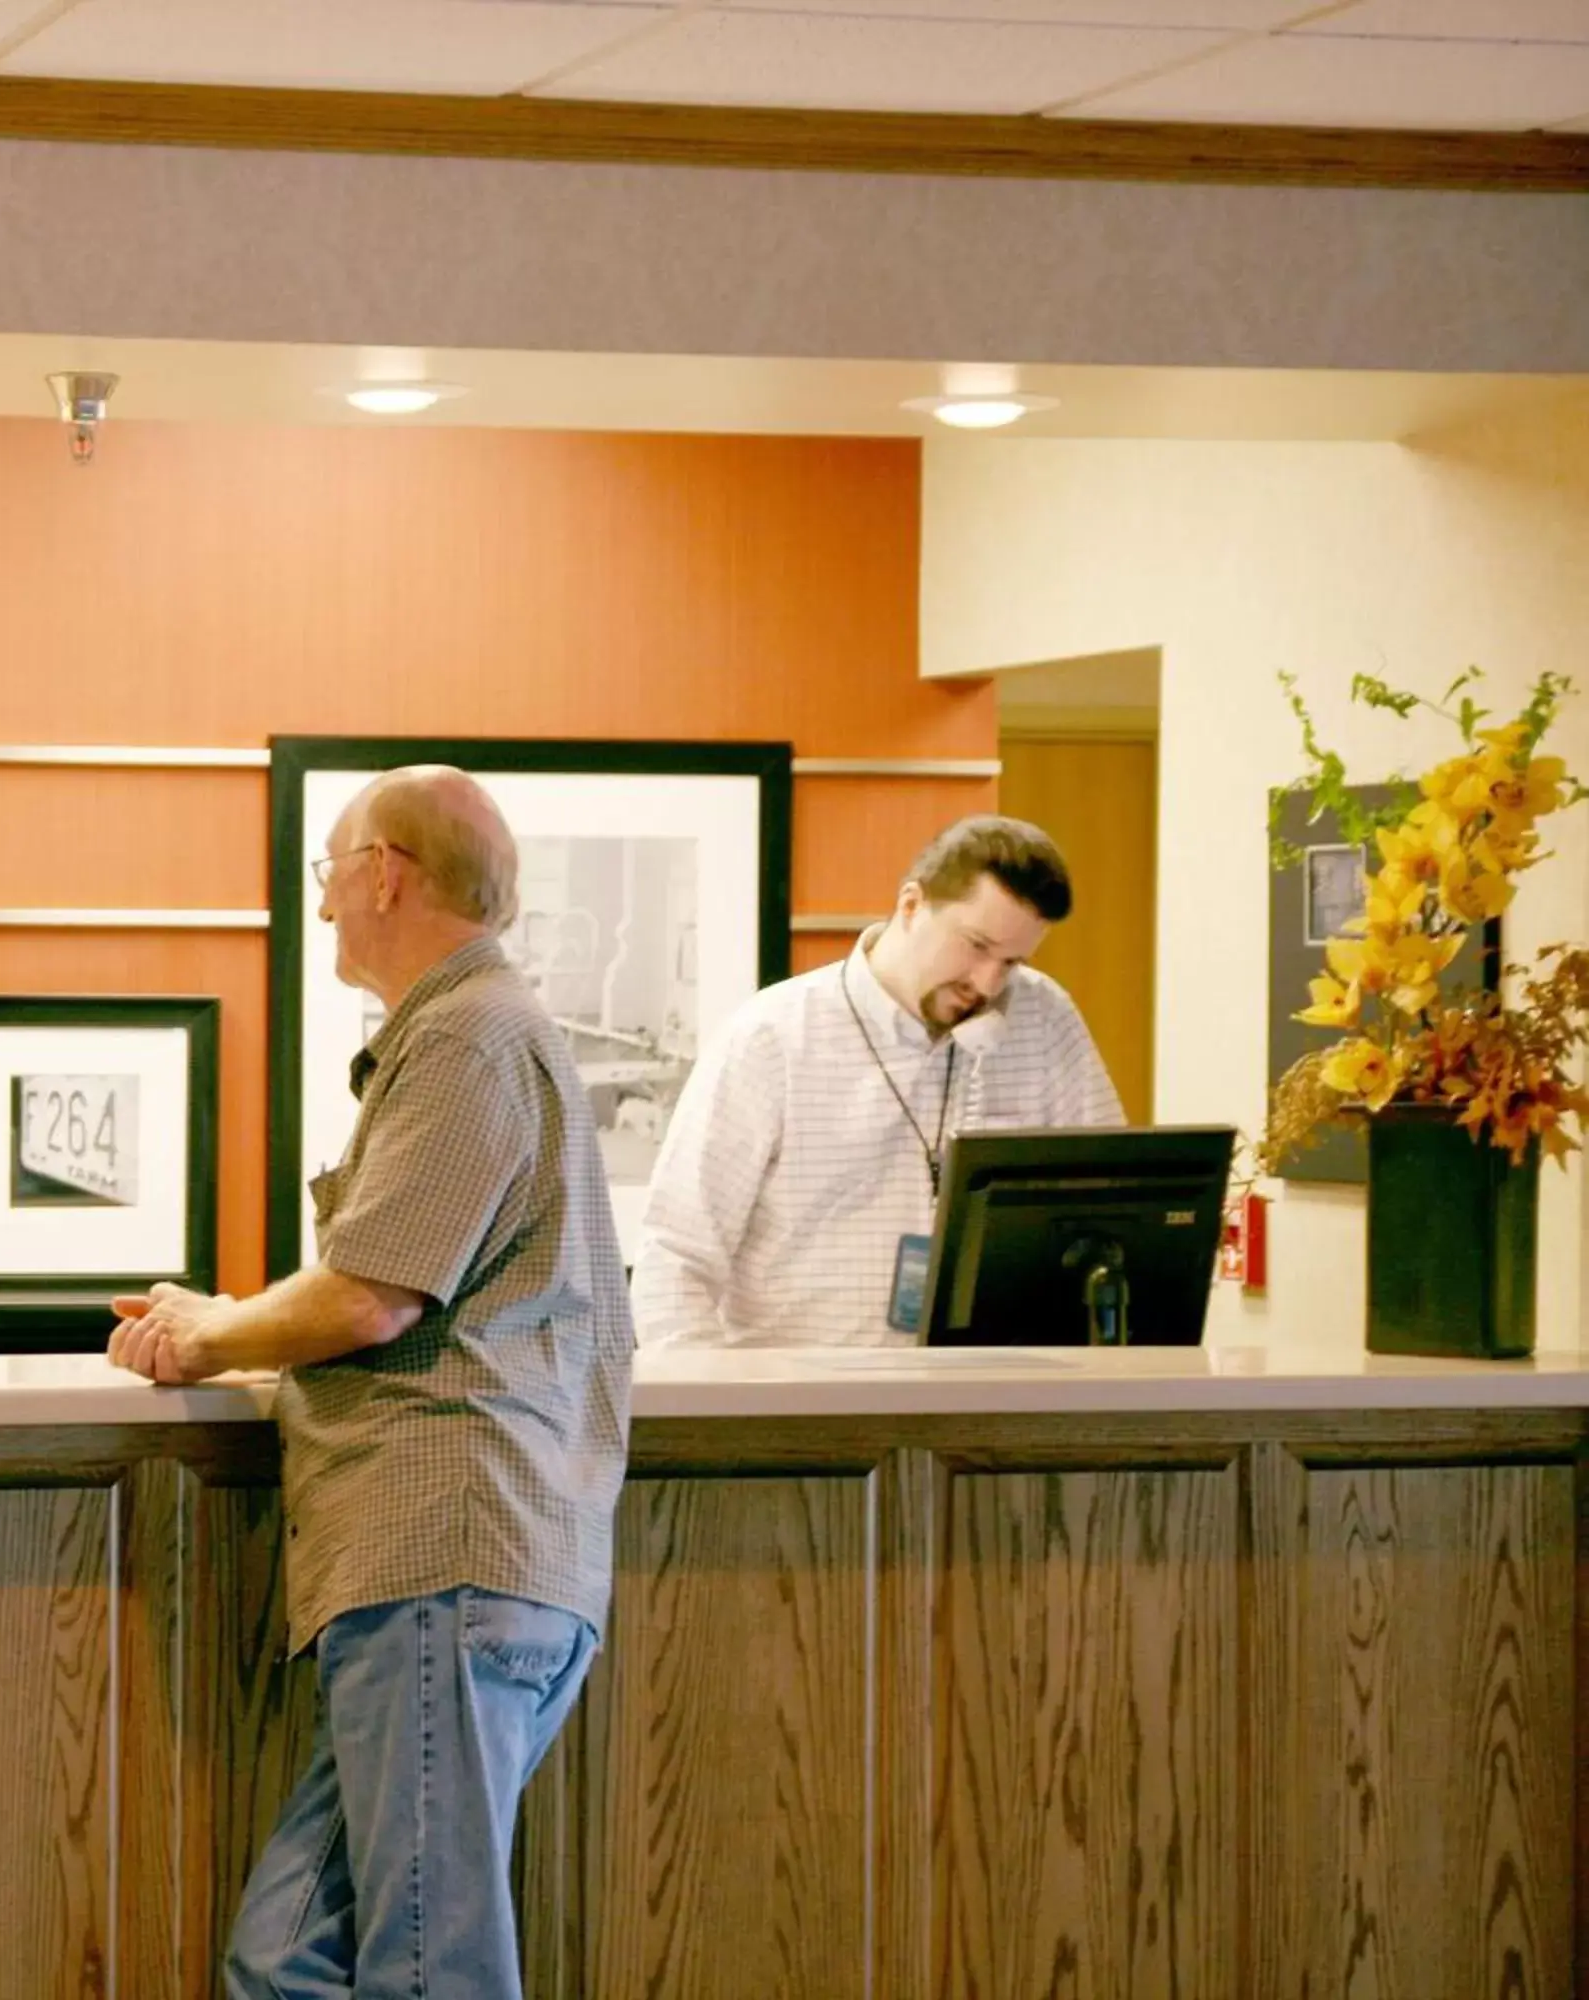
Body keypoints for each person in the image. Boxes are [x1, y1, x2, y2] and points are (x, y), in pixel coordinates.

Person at [108, 765, 633, 2000]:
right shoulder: (479, 1029)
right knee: (284, 1956)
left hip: (442, 1564)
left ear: (384, 871)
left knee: (425, 1972)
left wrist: (211, 1333)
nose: (329, 901)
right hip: (447, 1575)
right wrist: (233, 1319)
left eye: (331, 872)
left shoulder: (465, 1033)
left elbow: (370, 1292)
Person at [632, 813, 1123, 1348]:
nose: (988, 982)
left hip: (989, 1407)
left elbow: (1114, 1210)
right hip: (800, 1409)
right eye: (976, 946)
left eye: (1011, 961)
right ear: (911, 905)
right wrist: (718, 1416)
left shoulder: (1043, 1017)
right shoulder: (770, 1039)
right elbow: (675, 1258)